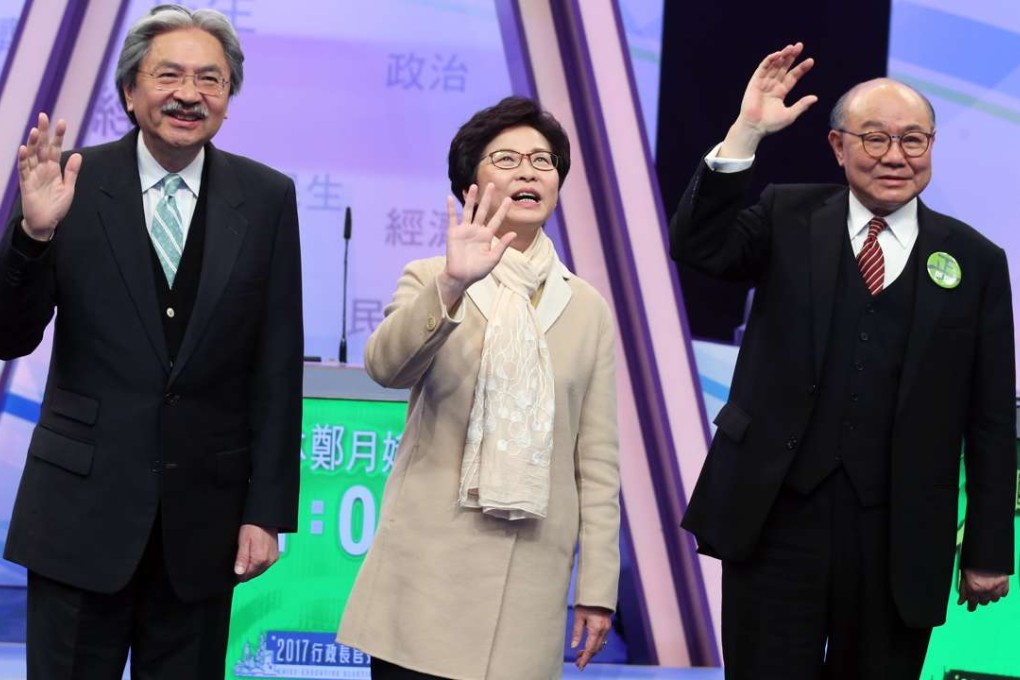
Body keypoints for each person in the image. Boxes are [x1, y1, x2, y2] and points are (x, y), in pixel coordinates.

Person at [671, 43, 1015, 678]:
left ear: (933, 147)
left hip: (901, 535)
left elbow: (992, 418)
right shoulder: (786, 214)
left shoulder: (978, 261)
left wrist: (991, 547)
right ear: (837, 146)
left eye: (914, 141)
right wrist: (746, 130)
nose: (894, 156)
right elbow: (698, 245)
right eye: (875, 137)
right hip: (774, 519)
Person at [0, 5, 302, 678]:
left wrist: (267, 512)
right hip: (80, 514)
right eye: (168, 75)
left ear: (228, 98)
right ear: (131, 91)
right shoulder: (70, 183)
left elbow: (276, 368)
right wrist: (33, 236)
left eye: (210, 80)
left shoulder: (266, 199)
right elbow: (9, 335)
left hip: (205, 527)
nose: (188, 94)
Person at [337, 96, 621, 679]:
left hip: (530, 580)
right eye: (507, 158)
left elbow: (596, 461)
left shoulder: (587, 307)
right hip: (427, 578)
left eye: (543, 161)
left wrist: (597, 585)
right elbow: (385, 368)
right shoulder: (430, 276)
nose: (528, 172)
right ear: (472, 183)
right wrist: (450, 285)